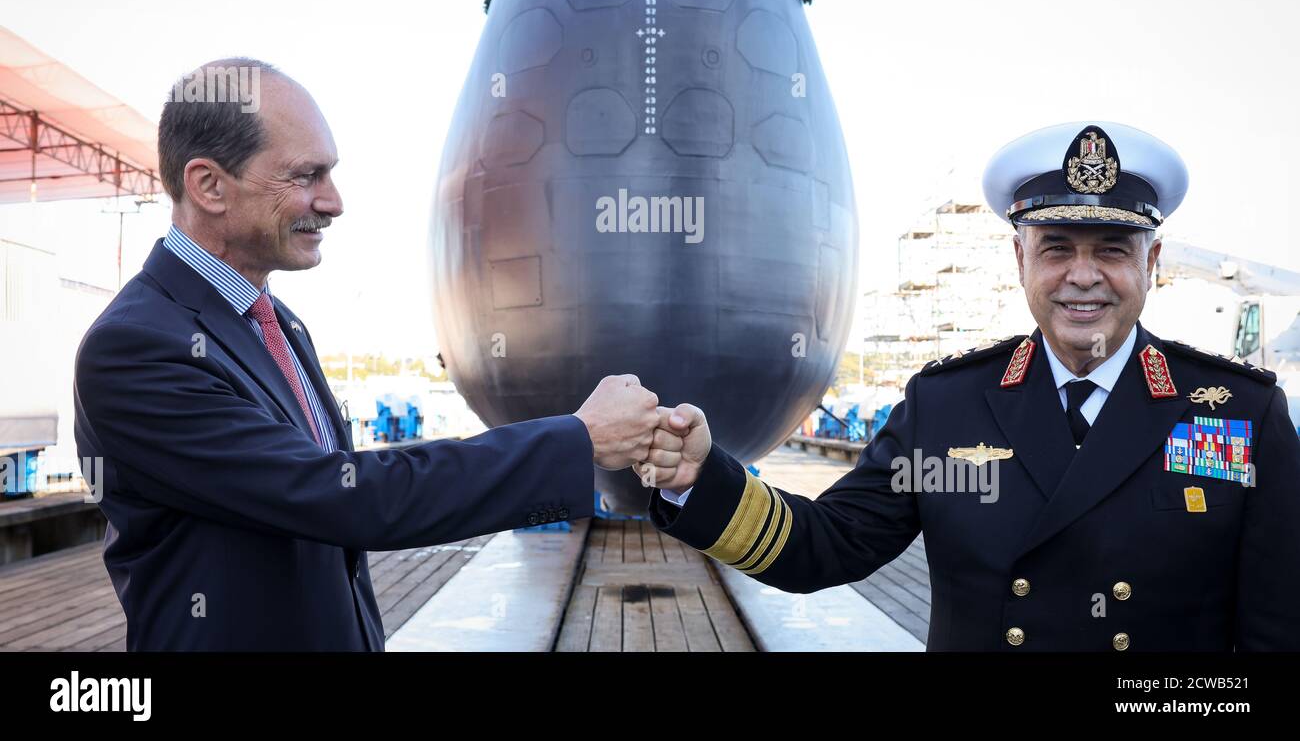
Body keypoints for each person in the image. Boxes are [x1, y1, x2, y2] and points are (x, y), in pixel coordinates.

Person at [74, 58, 678, 650]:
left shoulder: (275, 321)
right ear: (209, 185)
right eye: (306, 176)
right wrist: (577, 440)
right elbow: (342, 498)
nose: (333, 202)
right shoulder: (134, 349)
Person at [649, 122, 1300, 650]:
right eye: (1055, 248)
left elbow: (1277, 632)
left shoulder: (1242, 413)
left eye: (1110, 248)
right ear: (1019, 258)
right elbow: (829, 542)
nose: (1081, 275)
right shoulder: (947, 406)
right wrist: (697, 480)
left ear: (1151, 263)